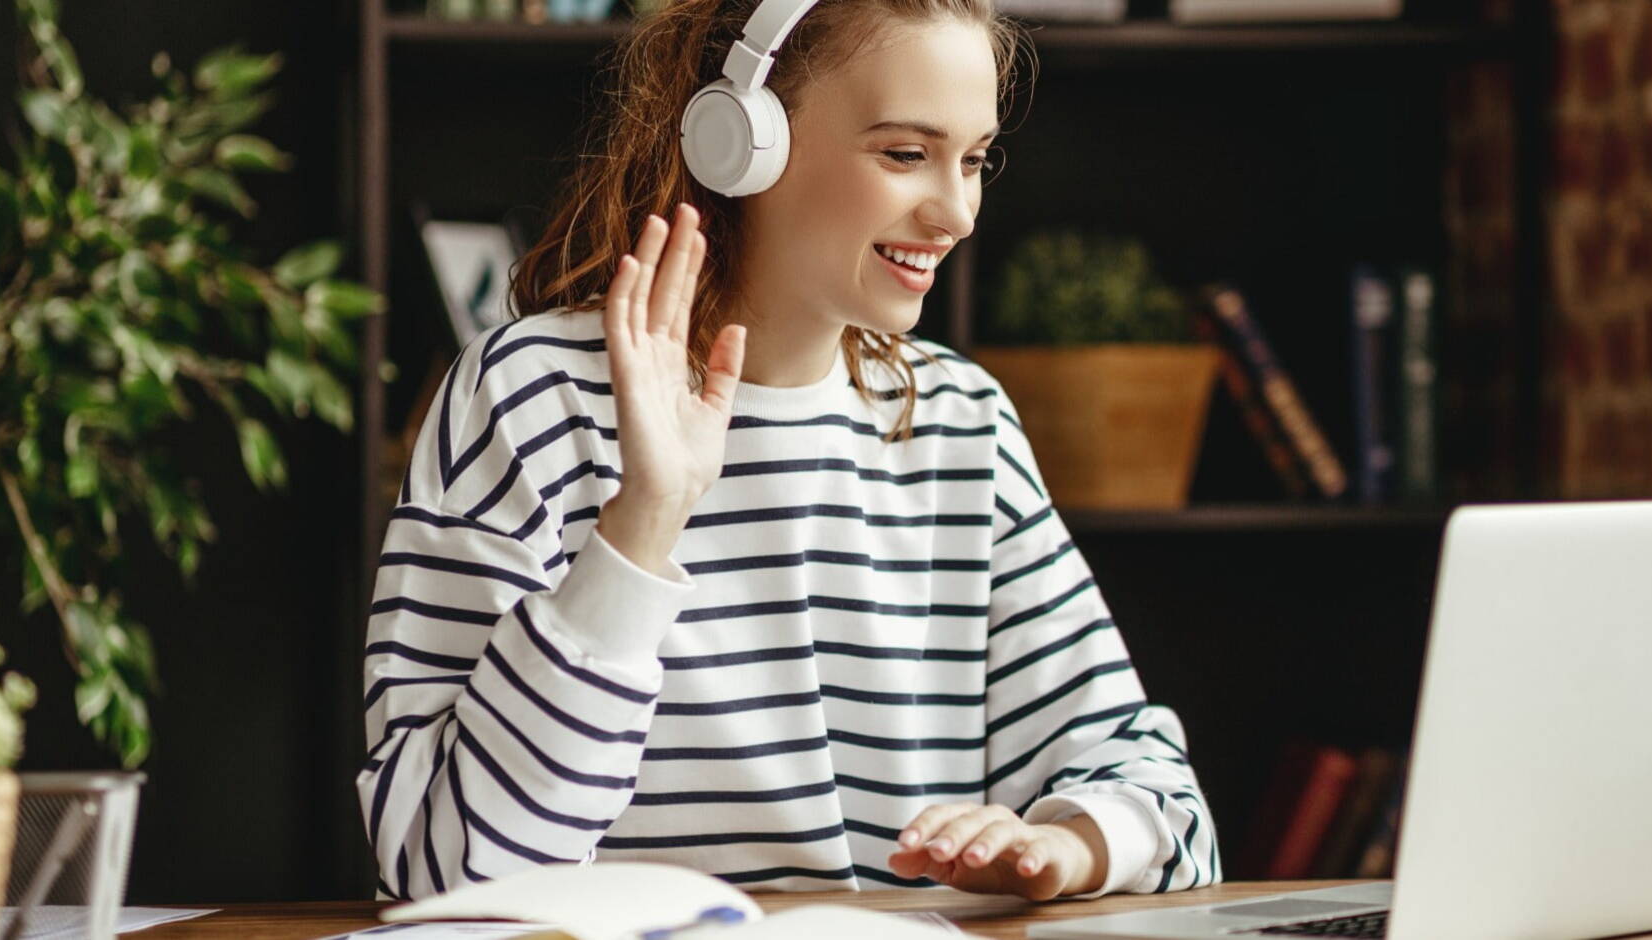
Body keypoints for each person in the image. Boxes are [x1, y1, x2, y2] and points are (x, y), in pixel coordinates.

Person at [357, 0, 1219, 904]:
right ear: (744, 142)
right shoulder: (526, 396)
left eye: (974, 160)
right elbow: (440, 870)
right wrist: (642, 528)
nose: (958, 213)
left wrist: (1061, 849)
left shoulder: (964, 422)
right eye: (903, 154)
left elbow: (1162, 795)